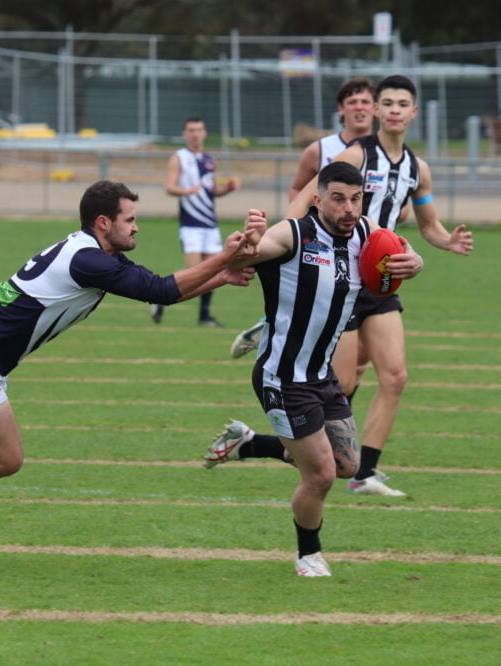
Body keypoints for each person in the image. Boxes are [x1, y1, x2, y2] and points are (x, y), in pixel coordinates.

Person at [0, 180, 258, 568]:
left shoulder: (94, 253)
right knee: (5, 460)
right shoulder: (88, 260)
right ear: (104, 222)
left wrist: (220, 277)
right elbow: (159, 289)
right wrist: (224, 259)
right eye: (130, 219)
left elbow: (161, 292)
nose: (137, 227)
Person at [201, 162, 424, 576]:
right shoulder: (295, 233)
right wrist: (248, 243)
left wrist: (415, 262)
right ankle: (309, 554)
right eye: (338, 199)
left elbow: (403, 251)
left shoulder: (365, 232)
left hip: (322, 376)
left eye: (355, 199)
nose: (348, 209)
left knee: (347, 466)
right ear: (318, 199)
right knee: (320, 474)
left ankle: (247, 444)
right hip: (283, 378)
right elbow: (255, 251)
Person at [286, 75, 475, 496]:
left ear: (413, 112)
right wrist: (287, 236)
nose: (392, 109)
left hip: (383, 280)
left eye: (401, 103)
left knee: (396, 377)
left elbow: (427, 224)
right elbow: (307, 198)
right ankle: (279, 446)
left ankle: (363, 473)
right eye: (386, 102)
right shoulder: (356, 155)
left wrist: (448, 241)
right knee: (344, 383)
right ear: (376, 111)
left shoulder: (417, 169)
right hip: (343, 278)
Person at [231, 78, 378, 358]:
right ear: (341, 109)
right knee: (332, 351)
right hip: (323, 252)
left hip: (367, 253)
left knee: (363, 360)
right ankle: (278, 327)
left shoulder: (384, 153)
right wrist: (291, 236)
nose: (359, 108)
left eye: (365, 102)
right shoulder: (321, 150)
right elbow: (298, 191)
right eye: (352, 102)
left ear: (376, 109)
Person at [151, 116, 239, 327]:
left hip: (210, 223)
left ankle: (204, 317)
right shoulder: (178, 157)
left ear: (204, 133)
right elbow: (169, 187)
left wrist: (226, 189)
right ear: (184, 134)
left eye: (199, 130)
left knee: (213, 270)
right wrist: (186, 190)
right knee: (193, 272)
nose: (195, 134)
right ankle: (158, 295)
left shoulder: (209, 159)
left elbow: (211, 191)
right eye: (191, 130)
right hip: (190, 224)